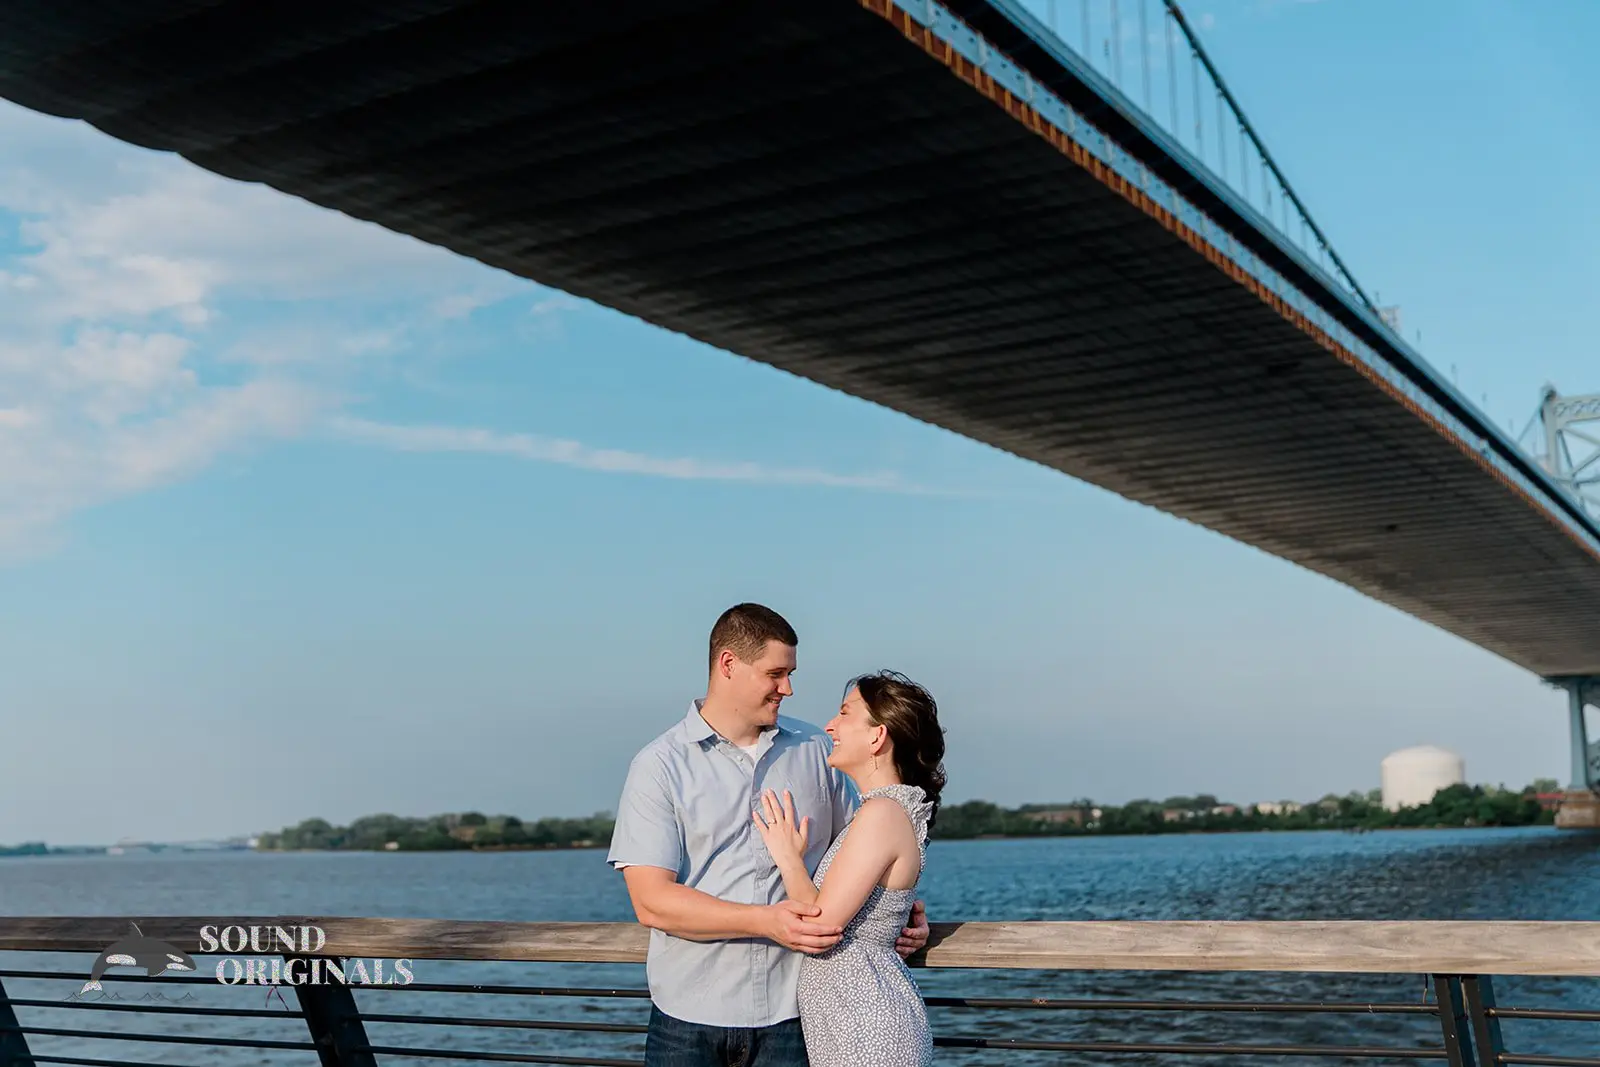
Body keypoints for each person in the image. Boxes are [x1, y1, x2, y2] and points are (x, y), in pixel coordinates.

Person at [607, 603, 931, 1067]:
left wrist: (900, 914)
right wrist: (766, 922)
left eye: (790, 674)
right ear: (728, 664)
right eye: (775, 674)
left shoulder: (818, 752)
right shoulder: (658, 766)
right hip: (687, 1020)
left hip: (795, 1020)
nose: (788, 689)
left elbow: (868, 855)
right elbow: (651, 902)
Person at [752, 670, 945, 1067]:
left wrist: (788, 858)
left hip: (869, 1027)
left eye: (844, 714)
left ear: (877, 736)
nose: (830, 726)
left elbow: (820, 927)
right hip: (854, 1022)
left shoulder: (883, 813)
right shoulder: (882, 811)